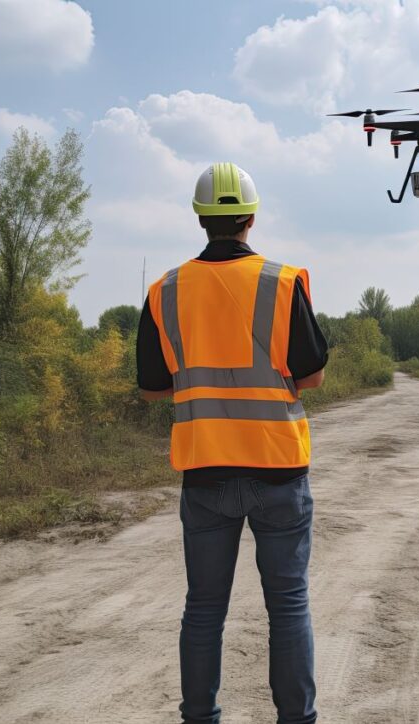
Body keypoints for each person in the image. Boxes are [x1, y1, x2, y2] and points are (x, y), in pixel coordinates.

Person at [136, 162, 328, 724]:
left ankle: (200, 718)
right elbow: (311, 375)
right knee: (288, 607)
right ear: (251, 215)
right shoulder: (282, 281)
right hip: (277, 469)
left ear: (201, 218)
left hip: (205, 473)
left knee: (203, 610)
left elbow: (151, 389)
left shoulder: (165, 290)